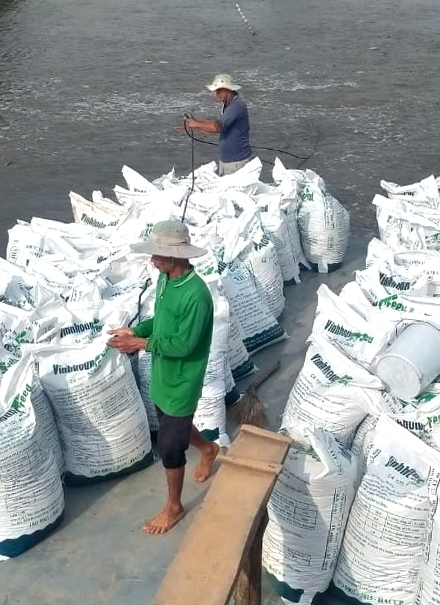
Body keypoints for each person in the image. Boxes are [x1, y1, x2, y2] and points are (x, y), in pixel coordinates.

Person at [106, 220, 219, 535]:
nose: (152, 260)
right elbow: (162, 321)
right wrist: (137, 330)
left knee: (169, 447)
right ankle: (208, 449)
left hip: (182, 380)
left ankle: (174, 507)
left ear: (177, 256)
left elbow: (183, 345)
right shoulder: (165, 280)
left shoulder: (197, 296)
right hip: (162, 375)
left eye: (157, 255)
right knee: (174, 426)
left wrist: (139, 344)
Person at [180, 73, 253, 175]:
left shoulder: (236, 106)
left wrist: (196, 124)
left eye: (219, 91)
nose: (216, 94)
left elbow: (217, 127)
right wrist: (195, 122)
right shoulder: (228, 104)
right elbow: (217, 123)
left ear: (227, 89)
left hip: (236, 162)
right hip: (227, 161)